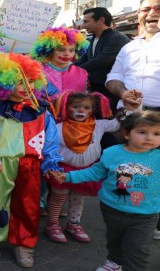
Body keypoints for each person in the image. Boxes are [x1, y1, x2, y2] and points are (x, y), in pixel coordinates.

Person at [0, 53, 63, 268]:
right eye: (17, 82)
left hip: (30, 164)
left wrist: (51, 163)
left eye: (29, 81)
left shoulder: (40, 112)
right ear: (0, 84)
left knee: (28, 204)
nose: (25, 86)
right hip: (1, 164)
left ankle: (24, 243)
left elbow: (50, 140)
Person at [55, 111, 160, 271]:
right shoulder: (112, 153)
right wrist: (68, 176)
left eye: (156, 133)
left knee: (137, 249)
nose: (149, 138)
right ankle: (114, 263)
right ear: (126, 133)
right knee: (114, 239)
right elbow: (95, 172)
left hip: (145, 215)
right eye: (142, 132)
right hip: (111, 209)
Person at [45, 91, 120, 244]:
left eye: (86, 108)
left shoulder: (98, 125)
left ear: (93, 110)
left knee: (78, 197)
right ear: (67, 108)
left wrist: (131, 106)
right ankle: (52, 225)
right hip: (63, 169)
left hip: (86, 170)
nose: (81, 110)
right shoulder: (58, 127)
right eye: (76, 106)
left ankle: (74, 224)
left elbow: (117, 124)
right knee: (58, 197)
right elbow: (48, 147)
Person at [106, 0, 160, 112]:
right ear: (138, 14)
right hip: (128, 115)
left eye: (159, 8)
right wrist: (123, 93)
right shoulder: (128, 47)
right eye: (145, 9)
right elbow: (114, 77)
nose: (152, 13)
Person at [74, 7, 129, 108]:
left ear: (101, 20)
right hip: (95, 90)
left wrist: (74, 70)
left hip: (111, 91)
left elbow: (101, 61)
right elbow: (84, 59)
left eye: (86, 21)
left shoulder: (117, 38)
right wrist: (64, 68)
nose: (83, 25)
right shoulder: (93, 39)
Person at [30, 27, 90, 102]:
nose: (67, 54)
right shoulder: (38, 71)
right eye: (61, 50)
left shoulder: (82, 73)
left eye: (71, 50)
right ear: (50, 50)